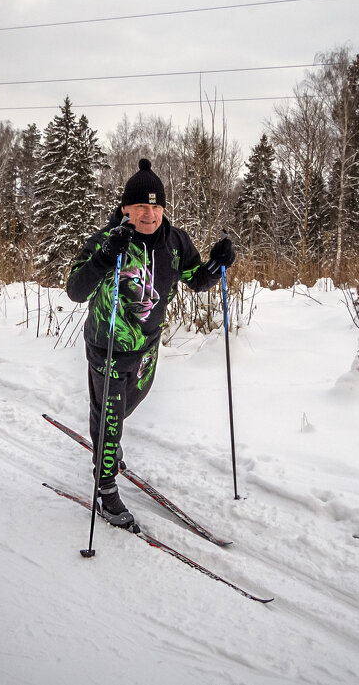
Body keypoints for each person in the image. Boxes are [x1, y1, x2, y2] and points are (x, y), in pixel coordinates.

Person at [66, 158, 235, 528]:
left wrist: (218, 264)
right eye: (142, 206)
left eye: (156, 206)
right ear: (126, 208)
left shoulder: (174, 242)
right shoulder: (107, 240)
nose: (149, 214)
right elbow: (76, 290)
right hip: (107, 346)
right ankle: (105, 487)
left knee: (126, 405)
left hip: (147, 346)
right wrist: (106, 257)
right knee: (110, 418)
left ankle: (106, 439)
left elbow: (196, 280)